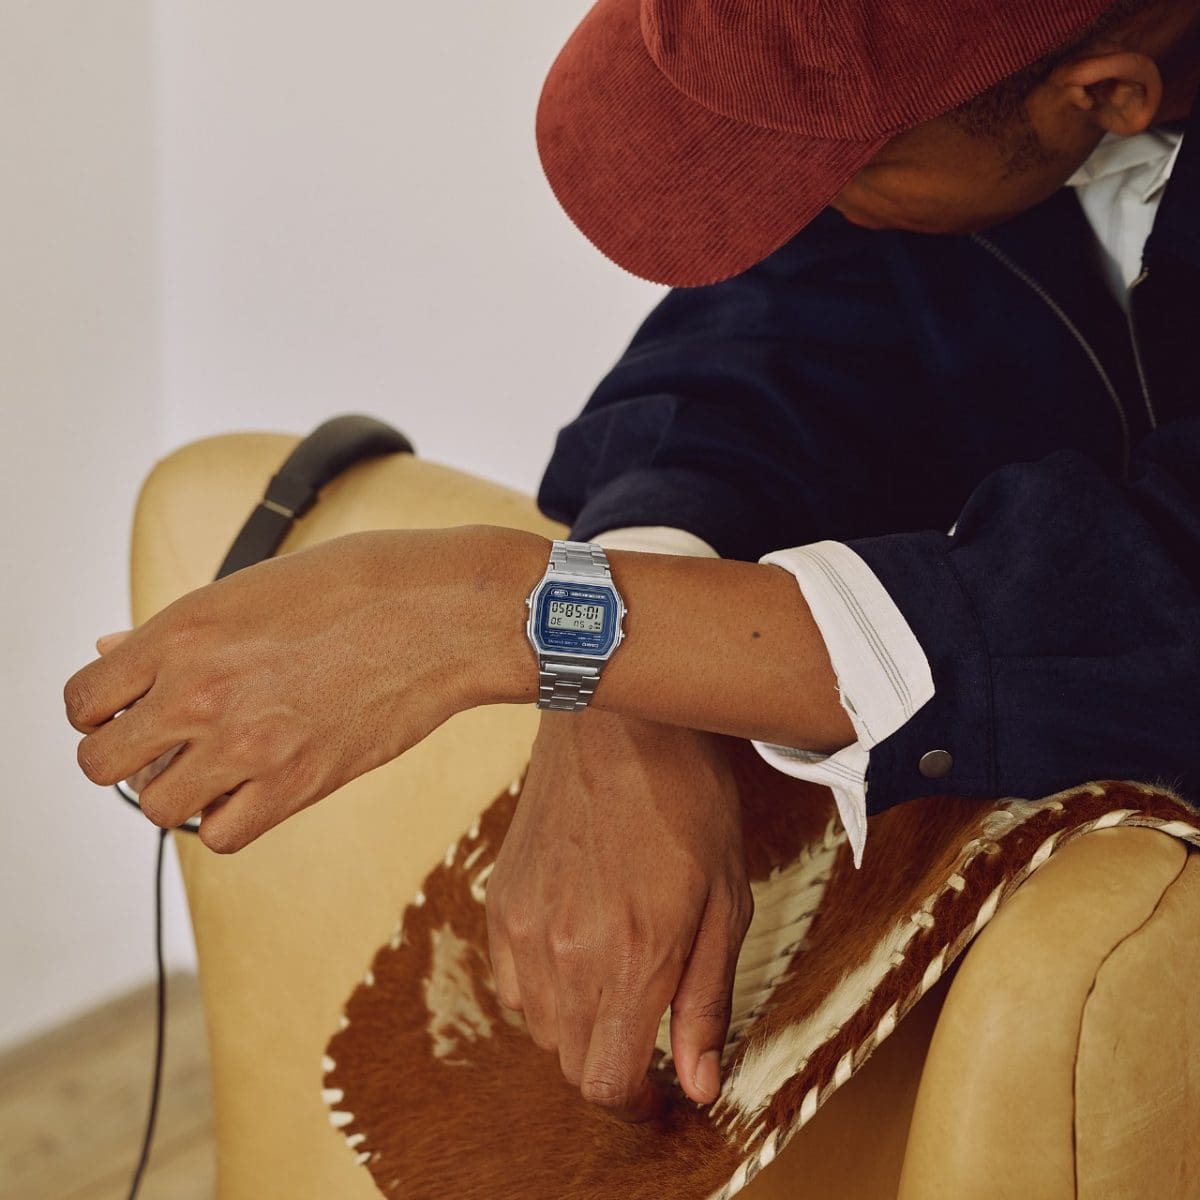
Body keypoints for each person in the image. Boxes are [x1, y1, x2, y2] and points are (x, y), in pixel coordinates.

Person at [65, 0, 1199, 1128]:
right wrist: (609, 688)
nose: (798, 208)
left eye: (840, 169)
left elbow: (1173, 590)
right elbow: (766, 330)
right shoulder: (969, 127)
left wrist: (488, 611)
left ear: (1104, 97)